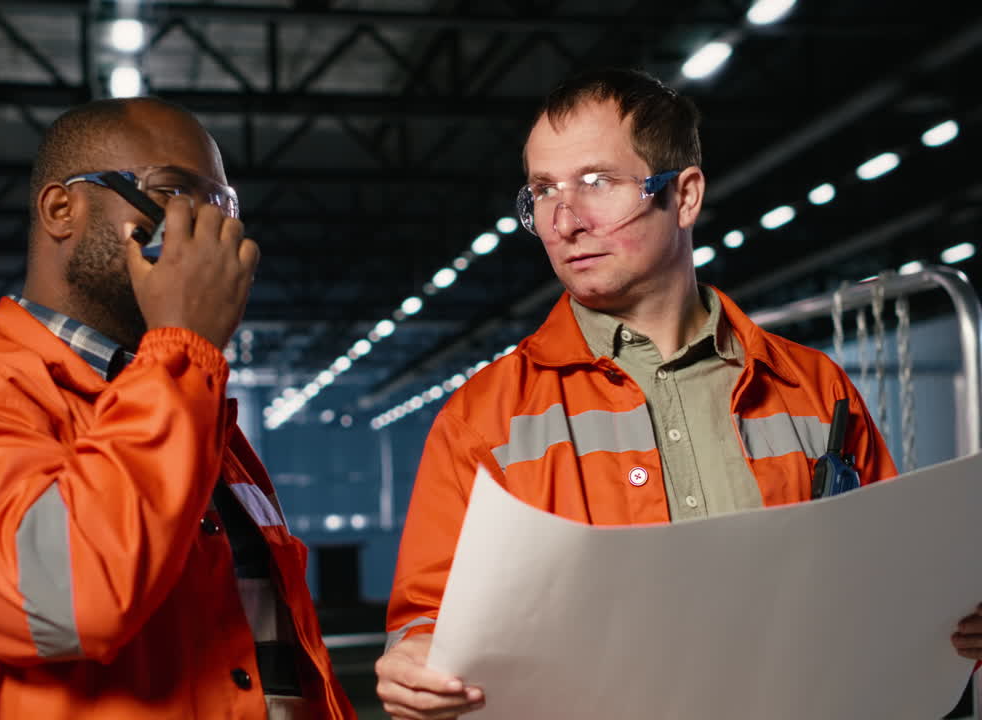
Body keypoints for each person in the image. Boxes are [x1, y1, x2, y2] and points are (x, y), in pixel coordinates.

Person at [374, 67, 982, 718]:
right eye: (543, 190)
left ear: (685, 196)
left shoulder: (813, 388)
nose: (564, 219)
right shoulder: (483, 418)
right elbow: (427, 617)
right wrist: (415, 659)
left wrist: (953, 618)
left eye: (596, 182)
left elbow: (888, 581)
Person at [0, 97, 355, 719]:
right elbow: (73, 602)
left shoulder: (194, 417)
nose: (204, 230)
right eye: (173, 192)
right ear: (63, 209)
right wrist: (185, 348)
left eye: (221, 207)